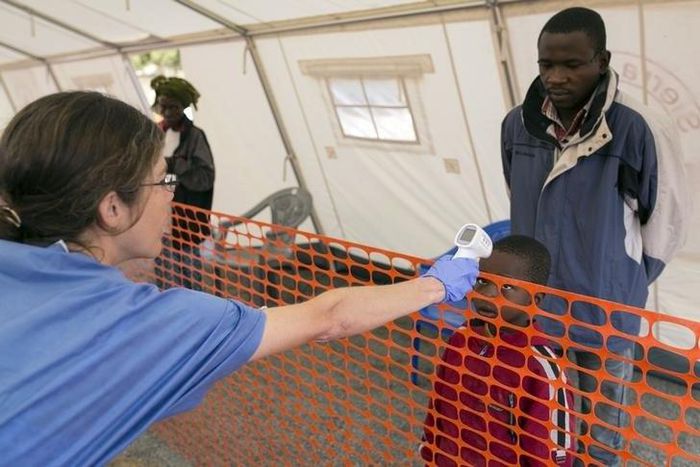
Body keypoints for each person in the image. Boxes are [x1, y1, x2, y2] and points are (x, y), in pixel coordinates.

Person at [0, 91, 479, 465]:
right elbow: (328, 316)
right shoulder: (154, 322)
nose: (172, 196)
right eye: (163, 180)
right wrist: (436, 284)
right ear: (111, 207)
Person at [500, 7, 689, 465]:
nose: (556, 77)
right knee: (551, 414)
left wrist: (625, 281)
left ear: (601, 60)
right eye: (547, 65)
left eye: (572, 64)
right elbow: (517, 195)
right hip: (539, 305)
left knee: (603, 425)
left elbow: (666, 218)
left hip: (606, 307)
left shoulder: (637, 127)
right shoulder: (517, 126)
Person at [420, 235, 575, 467]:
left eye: (508, 287)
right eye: (483, 281)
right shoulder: (460, 339)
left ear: (536, 298)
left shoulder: (541, 369)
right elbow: (438, 404)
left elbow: (552, 453)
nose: (488, 294)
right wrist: (430, 451)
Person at [151, 75, 214, 289]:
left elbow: (206, 176)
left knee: (189, 268)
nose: (168, 112)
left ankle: (197, 310)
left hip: (184, 215)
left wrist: (175, 165)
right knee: (163, 265)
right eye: (164, 106)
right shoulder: (155, 133)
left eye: (174, 107)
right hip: (160, 211)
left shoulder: (195, 136)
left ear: (184, 107)